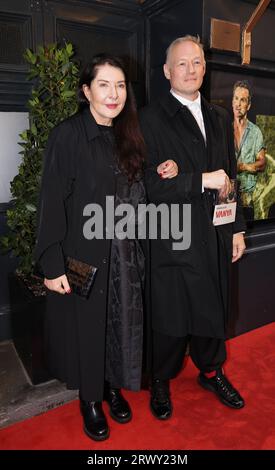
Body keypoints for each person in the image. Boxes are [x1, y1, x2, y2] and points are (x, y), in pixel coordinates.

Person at [34, 53, 176, 441]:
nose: (113, 94)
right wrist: (51, 263)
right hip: (87, 253)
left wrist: (161, 170)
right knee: (89, 331)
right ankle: (91, 400)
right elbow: (52, 200)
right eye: (103, 85)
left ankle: (113, 387)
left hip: (129, 255)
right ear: (86, 90)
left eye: (120, 85)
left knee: (121, 326)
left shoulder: (129, 133)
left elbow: (136, 185)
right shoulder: (68, 135)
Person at [139, 36, 246, 421]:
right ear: (167, 71)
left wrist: (236, 229)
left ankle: (211, 372)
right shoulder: (148, 119)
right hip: (171, 237)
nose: (190, 70)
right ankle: (161, 381)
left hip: (215, 234)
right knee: (169, 316)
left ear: (205, 67)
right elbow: (146, 186)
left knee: (211, 309)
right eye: (181, 64)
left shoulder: (219, 116)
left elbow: (231, 178)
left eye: (197, 62)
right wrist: (198, 179)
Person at [232, 80, 266, 218]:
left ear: (249, 105)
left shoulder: (255, 131)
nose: (238, 104)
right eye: (235, 98)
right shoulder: (224, 128)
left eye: (242, 100)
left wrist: (243, 166)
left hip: (247, 200)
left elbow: (262, 163)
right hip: (226, 197)